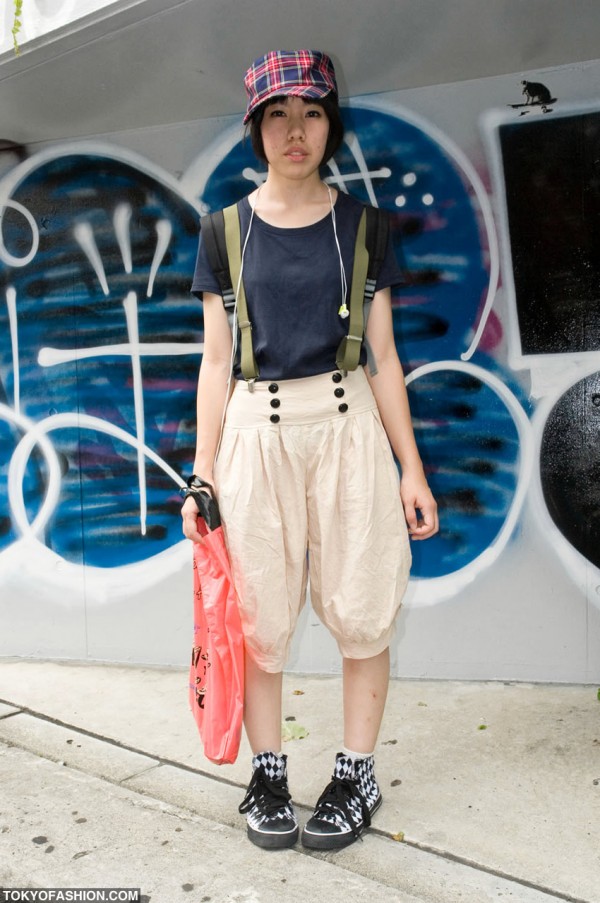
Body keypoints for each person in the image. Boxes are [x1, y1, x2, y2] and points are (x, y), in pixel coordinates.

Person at [182, 49, 438, 852]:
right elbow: (216, 361)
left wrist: (412, 469)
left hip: (348, 425)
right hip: (255, 436)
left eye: (312, 112)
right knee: (256, 618)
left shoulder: (363, 226)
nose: (296, 130)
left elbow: (385, 358)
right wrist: (202, 472)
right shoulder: (224, 229)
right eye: (278, 115)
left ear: (332, 123)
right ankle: (267, 774)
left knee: (364, 608)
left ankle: (356, 771)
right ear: (256, 129)